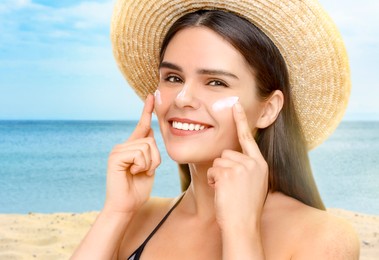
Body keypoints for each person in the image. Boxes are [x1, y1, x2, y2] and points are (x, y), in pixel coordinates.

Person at [72, 0, 360, 259]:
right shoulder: (137, 219)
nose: (182, 98)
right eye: (172, 77)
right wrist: (116, 212)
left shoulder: (323, 237)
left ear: (268, 109)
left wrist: (240, 230)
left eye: (215, 82)